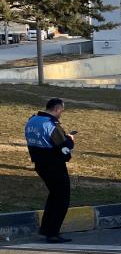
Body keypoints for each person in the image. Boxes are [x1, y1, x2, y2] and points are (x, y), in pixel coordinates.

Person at [24, 98, 76, 242]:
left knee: (54, 195)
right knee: (62, 199)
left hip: (40, 164)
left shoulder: (32, 121)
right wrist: (70, 140)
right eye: (62, 111)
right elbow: (64, 149)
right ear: (57, 109)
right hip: (55, 165)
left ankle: (46, 228)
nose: (61, 114)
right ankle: (53, 233)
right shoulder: (52, 124)